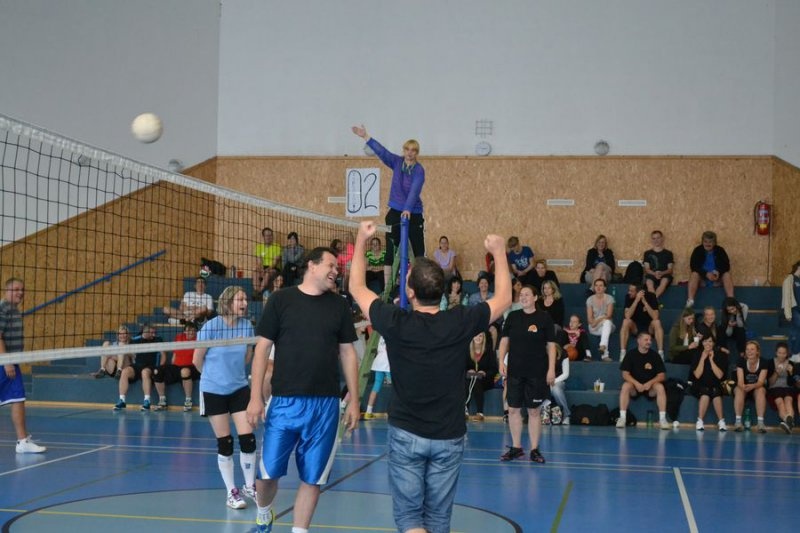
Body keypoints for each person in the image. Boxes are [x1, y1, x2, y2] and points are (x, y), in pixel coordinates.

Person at [348, 220, 511, 533]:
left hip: (407, 433)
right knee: (437, 522)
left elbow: (357, 287)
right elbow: (504, 299)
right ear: (442, 290)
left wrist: (362, 239)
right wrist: (499, 252)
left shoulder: (395, 321)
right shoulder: (459, 320)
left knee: (410, 521)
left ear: (410, 292)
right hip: (448, 435)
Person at [246, 246, 360, 533]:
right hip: (284, 402)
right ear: (312, 265)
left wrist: (355, 400)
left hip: (325, 405)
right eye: (331, 265)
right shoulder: (281, 300)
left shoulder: (339, 306)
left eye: (338, 267)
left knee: (313, 478)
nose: (336, 271)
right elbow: (262, 350)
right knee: (267, 476)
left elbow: (348, 353)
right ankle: (263, 512)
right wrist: (255, 398)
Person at [192, 286, 256, 509]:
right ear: (228, 302)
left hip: (239, 388)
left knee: (248, 439)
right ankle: (232, 493)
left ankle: (250, 486)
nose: (245, 303)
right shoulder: (211, 327)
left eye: (245, 299)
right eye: (240, 299)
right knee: (225, 442)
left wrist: (232, 374)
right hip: (214, 390)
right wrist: (214, 377)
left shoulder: (247, 326)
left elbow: (248, 356)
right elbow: (197, 360)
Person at [352, 125, 425, 289]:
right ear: (404, 150)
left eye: (413, 150)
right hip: (395, 212)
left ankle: (418, 286)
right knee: (391, 251)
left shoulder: (419, 170)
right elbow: (382, 152)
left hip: (413, 213)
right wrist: (366, 136)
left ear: (417, 153)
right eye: (407, 149)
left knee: (418, 254)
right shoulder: (397, 162)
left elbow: (415, 190)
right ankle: (388, 289)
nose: (410, 153)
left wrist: (407, 209)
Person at [497, 285, 556, 463]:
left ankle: (535, 450)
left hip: (536, 372)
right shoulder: (513, 317)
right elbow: (504, 341)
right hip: (515, 371)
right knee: (513, 409)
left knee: (534, 411)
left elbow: (551, 346)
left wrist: (551, 369)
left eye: (527, 294)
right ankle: (516, 448)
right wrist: (501, 361)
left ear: (535, 297)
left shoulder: (544, 318)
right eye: (521, 295)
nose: (523, 297)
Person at [0, 278, 46, 453]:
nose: (20, 292)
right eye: (16, 289)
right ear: (7, 290)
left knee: (18, 398)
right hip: (4, 362)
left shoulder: (13, 310)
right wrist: (6, 361)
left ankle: (22, 441)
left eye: (22, 289)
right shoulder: (3, 309)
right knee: (18, 397)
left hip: (11, 361)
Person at [615, 332, 670, 430]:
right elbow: (625, 374)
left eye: (650, 340)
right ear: (639, 341)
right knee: (625, 386)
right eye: (646, 340)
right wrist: (636, 383)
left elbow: (662, 376)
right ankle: (622, 418)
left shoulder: (655, 355)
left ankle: (662, 419)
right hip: (635, 387)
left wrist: (650, 383)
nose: (649, 342)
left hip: (650, 387)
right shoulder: (631, 354)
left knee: (660, 387)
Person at [113, 324, 166, 412]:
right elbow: (128, 352)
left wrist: (160, 368)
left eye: (154, 333)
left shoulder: (158, 339)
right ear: (145, 332)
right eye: (151, 333)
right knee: (125, 371)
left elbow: (163, 355)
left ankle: (147, 401)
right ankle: (122, 400)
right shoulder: (135, 340)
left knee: (144, 372)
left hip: (150, 366)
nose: (153, 335)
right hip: (137, 366)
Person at [153, 321, 201, 412]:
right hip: (177, 366)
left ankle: (188, 400)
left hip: (192, 367)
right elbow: (175, 354)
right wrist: (173, 364)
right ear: (185, 331)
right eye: (189, 330)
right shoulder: (179, 337)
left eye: (193, 330)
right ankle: (162, 401)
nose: (191, 332)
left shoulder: (198, 340)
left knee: (185, 371)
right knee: (157, 371)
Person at [689, 335, 729, 431]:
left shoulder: (721, 355)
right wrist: (702, 359)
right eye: (705, 341)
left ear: (713, 343)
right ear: (702, 343)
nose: (707, 343)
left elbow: (719, 376)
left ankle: (721, 421)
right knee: (705, 391)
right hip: (700, 384)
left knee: (715, 391)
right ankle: (700, 421)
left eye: (710, 341)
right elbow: (697, 375)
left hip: (716, 384)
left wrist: (711, 360)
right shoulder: (697, 355)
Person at [686, 230, 734, 308]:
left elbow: (726, 265)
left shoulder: (720, 250)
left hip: (717, 280)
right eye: (705, 241)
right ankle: (690, 301)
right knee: (694, 274)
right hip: (702, 280)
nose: (707, 244)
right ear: (702, 242)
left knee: (726, 274)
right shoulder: (697, 250)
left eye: (710, 242)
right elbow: (693, 266)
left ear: (714, 243)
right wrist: (706, 274)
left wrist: (719, 272)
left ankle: (731, 301)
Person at [619, 284, 664, 361]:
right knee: (625, 321)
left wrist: (645, 302)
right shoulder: (628, 297)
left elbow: (655, 317)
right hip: (635, 327)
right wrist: (636, 301)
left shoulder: (651, 296)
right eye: (629, 290)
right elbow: (627, 316)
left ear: (639, 292)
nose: (629, 292)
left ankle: (660, 353)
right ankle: (623, 353)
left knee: (657, 322)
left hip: (649, 328)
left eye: (631, 291)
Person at [733, 340, 768, 433]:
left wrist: (753, 386)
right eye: (747, 349)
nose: (749, 351)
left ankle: (760, 423)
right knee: (739, 390)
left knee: (761, 390)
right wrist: (743, 387)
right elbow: (740, 381)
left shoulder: (764, 362)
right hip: (744, 386)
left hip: (756, 387)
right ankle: (738, 422)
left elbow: (761, 382)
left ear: (757, 351)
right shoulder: (741, 361)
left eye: (752, 349)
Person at [465, 330, 498, 421]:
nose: (478, 338)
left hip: (485, 380)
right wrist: (468, 371)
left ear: (484, 338)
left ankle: (480, 413)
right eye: (476, 336)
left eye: (480, 336)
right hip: (469, 378)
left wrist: (484, 373)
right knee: (466, 382)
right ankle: (465, 411)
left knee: (476, 382)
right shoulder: (467, 350)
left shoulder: (489, 351)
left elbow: (494, 369)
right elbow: (461, 367)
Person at [766, 342, 795, 434]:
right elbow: (770, 383)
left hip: (787, 388)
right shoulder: (770, 363)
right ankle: (788, 421)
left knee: (788, 400)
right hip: (774, 388)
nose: (781, 355)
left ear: (787, 354)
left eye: (784, 353)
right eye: (779, 353)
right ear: (776, 353)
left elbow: (791, 383)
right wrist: (776, 373)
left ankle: (788, 423)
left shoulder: (791, 363)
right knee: (780, 402)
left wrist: (791, 373)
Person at [585, 278, 615, 361]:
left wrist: (598, 320)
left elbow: (609, 315)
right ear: (594, 287)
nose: (598, 288)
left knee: (607, 322)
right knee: (605, 326)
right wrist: (597, 321)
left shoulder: (609, 298)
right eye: (596, 285)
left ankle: (603, 346)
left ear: (605, 288)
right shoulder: (590, 300)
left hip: (607, 325)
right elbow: (590, 320)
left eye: (601, 285)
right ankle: (605, 355)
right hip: (594, 327)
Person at [364, 335, 390, 420]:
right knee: (397, 388)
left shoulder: (379, 336)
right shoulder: (390, 333)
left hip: (379, 362)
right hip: (387, 363)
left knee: (376, 387)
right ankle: (395, 412)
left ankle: (368, 412)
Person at [642, 230, 674, 298]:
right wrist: (654, 274)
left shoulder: (668, 253)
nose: (656, 240)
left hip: (664, 275)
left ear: (662, 238)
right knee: (649, 282)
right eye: (654, 238)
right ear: (651, 240)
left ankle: (653, 301)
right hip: (652, 274)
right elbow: (647, 269)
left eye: (658, 238)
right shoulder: (647, 253)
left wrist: (661, 273)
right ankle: (655, 301)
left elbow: (670, 270)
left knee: (664, 281)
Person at [254, 227, 282, 298]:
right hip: (263, 267)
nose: (268, 237)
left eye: (270, 235)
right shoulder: (259, 247)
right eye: (266, 235)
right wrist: (261, 269)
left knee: (267, 274)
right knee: (255, 272)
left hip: (274, 268)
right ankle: (257, 291)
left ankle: (259, 292)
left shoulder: (277, 247)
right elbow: (259, 261)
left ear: (272, 236)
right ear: (263, 237)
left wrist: (267, 269)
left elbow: (275, 262)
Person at [781, 261, 800, 362]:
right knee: (795, 332)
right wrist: (787, 313)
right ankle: (793, 353)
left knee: (795, 332)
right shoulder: (790, 279)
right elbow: (786, 295)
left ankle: (793, 353)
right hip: (793, 309)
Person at [550, 336, 572, 425]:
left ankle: (566, 414)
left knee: (555, 389)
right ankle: (542, 415)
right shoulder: (541, 352)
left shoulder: (563, 353)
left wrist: (553, 381)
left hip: (558, 380)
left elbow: (566, 374)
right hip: (544, 381)